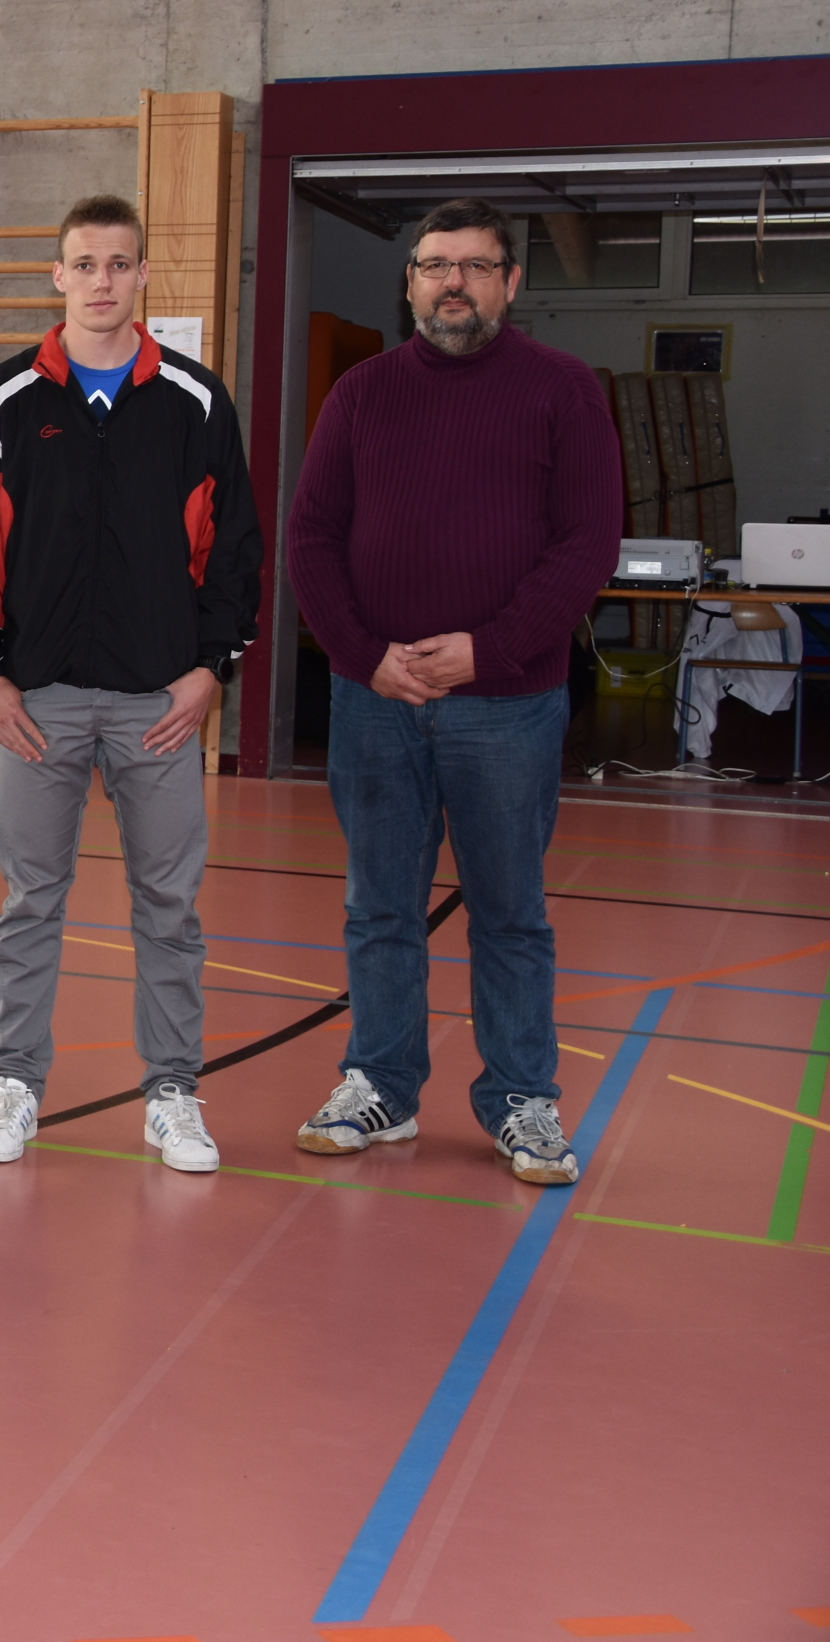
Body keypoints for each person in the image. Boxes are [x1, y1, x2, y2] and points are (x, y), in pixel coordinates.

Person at [285, 197, 621, 1185]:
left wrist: (490, 651)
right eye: (435, 265)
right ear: (411, 284)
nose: (453, 283)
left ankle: (521, 1097)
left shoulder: (563, 391)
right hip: (376, 701)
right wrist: (364, 656)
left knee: (510, 910)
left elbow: (586, 545)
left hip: (508, 703)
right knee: (379, 905)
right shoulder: (361, 394)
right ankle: (381, 1084)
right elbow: (311, 537)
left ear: (511, 283)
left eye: (475, 266)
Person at [0, 194, 262, 1176]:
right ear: (59, 276)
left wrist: (209, 669)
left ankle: (173, 1093)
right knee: (31, 900)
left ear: (143, 274)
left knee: (169, 904)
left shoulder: (196, 401)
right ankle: (14, 1083)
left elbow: (235, 551)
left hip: (160, 702)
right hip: (38, 702)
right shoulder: (5, 401)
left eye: (120, 263)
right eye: (85, 263)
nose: (103, 281)